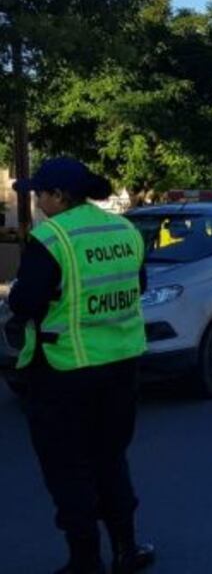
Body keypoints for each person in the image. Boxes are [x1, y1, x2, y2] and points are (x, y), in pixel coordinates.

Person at [5, 158, 155, 574]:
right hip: (122, 366)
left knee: (69, 470)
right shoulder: (124, 230)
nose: (37, 202)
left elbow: (24, 302)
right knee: (111, 460)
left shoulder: (51, 238)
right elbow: (138, 285)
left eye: (40, 194)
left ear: (60, 196)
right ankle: (127, 550)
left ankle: (85, 561)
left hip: (64, 370)